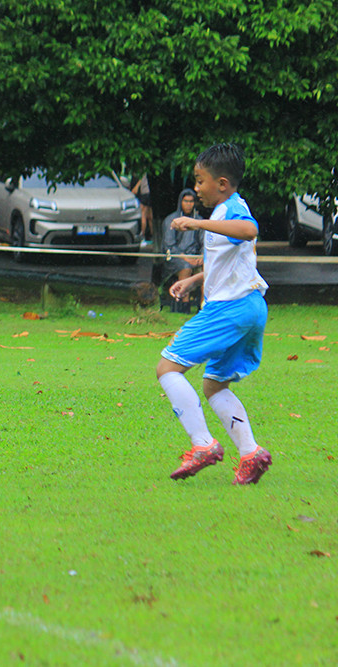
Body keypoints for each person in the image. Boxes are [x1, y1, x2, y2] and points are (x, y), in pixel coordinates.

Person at [155, 143, 271, 486]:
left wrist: (194, 222)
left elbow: (250, 230)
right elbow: (234, 261)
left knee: (167, 367)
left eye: (200, 180)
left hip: (229, 310)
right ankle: (251, 453)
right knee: (214, 384)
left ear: (222, 183)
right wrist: (194, 279)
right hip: (249, 307)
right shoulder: (225, 213)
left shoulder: (232, 210)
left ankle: (203, 445)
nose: (196, 187)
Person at [161, 188, 203, 313]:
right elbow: (169, 245)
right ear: (181, 202)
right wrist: (184, 257)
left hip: (194, 257)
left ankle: (203, 305)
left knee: (208, 266)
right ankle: (184, 305)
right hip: (174, 258)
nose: (188, 204)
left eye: (191, 201)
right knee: (185, 267)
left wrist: (201, 256)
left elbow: (205, 243)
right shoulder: (171, 220)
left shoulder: (199, 221)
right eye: (186, 201)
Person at [132, 174, 153, 244]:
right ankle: (152, 235)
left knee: (143, 215)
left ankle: (142, 235)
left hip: (144, 193)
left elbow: (140, 180)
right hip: (149, 193)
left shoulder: (142, 172)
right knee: (150, 216)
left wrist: (136, 188)